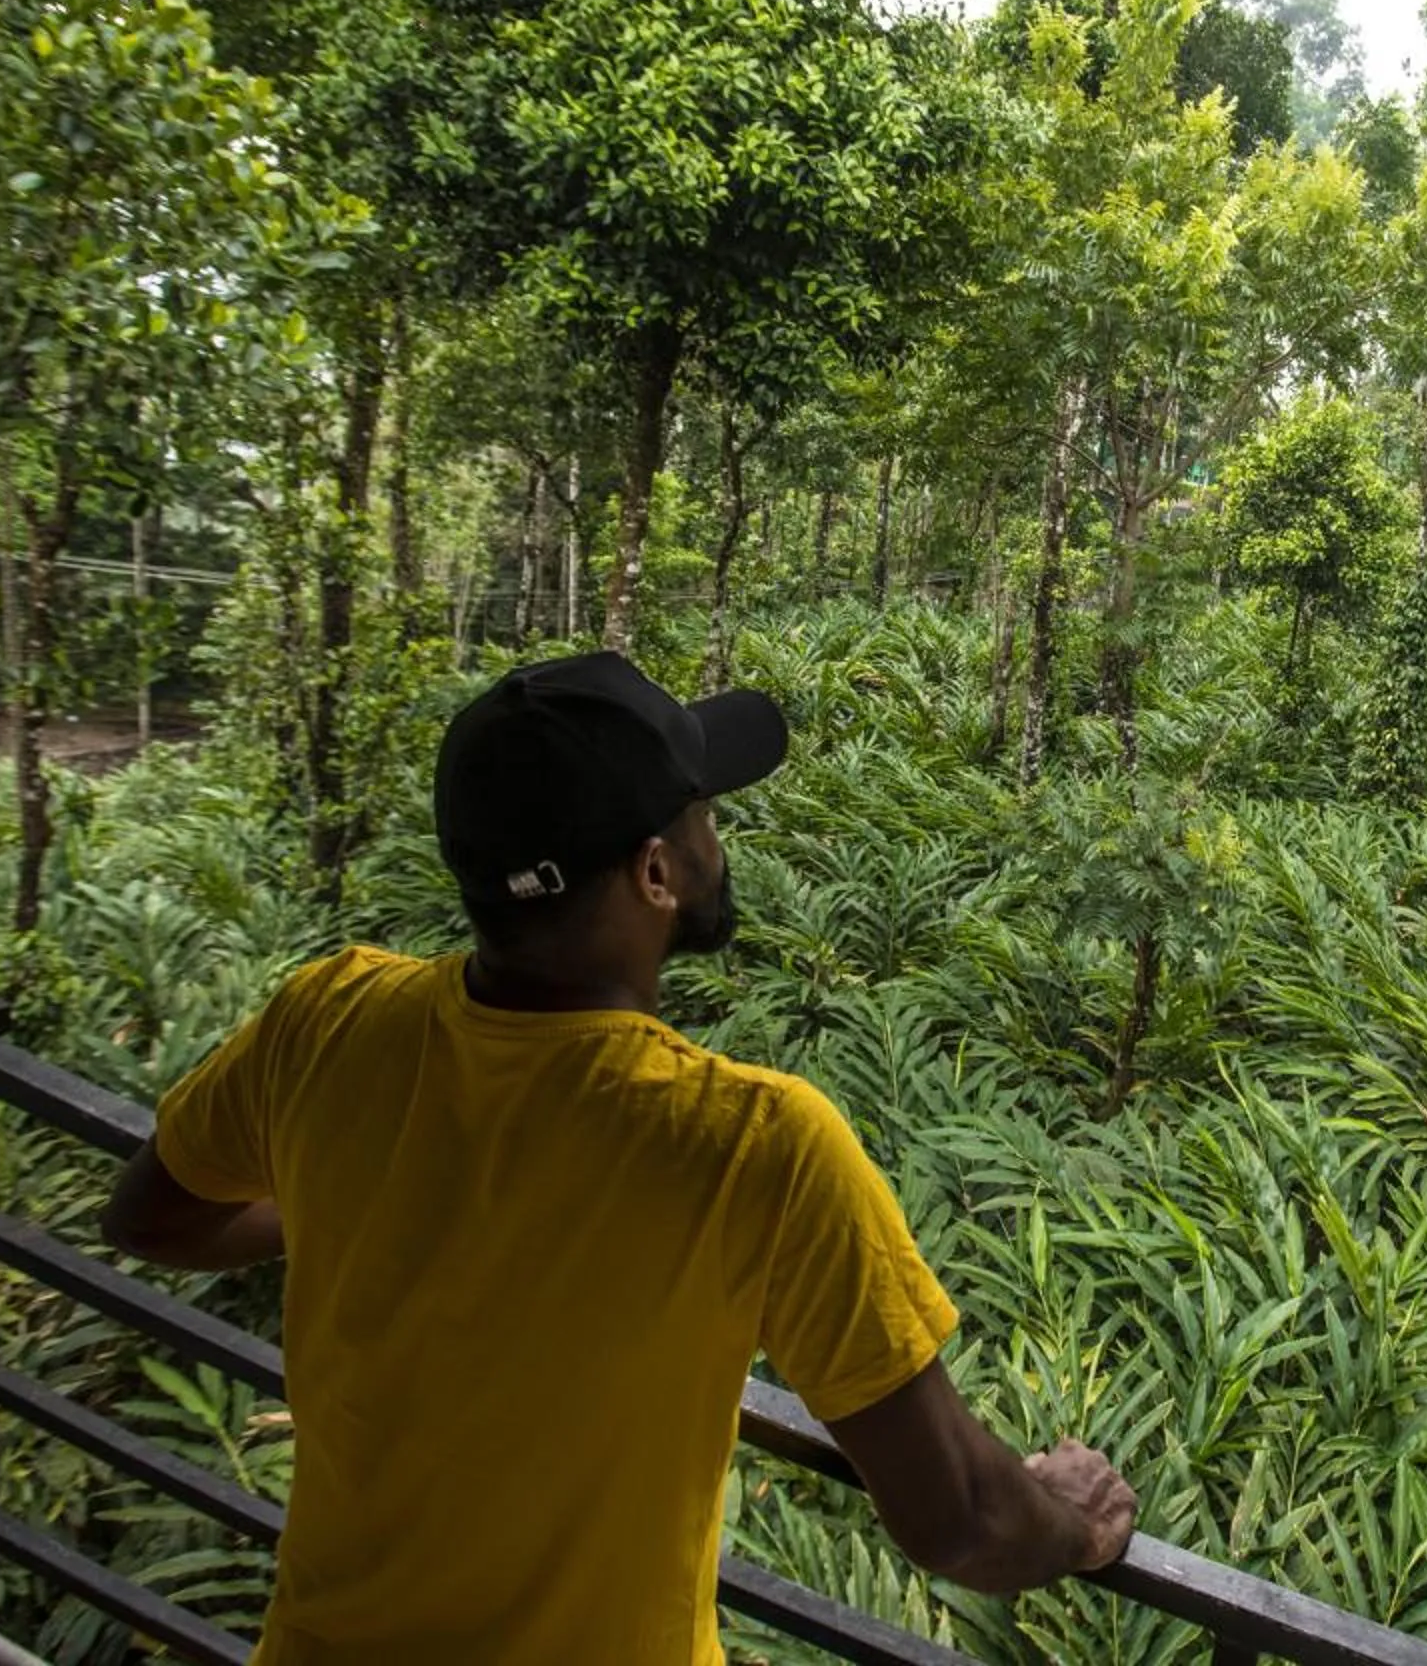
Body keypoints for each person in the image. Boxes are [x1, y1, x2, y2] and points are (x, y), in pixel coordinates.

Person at [103, 650, 1136, 1664]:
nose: (716, 836)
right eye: (703, 815)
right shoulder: (752, 1145)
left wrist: (363, 1199)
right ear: (654, 871)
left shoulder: (326, 1015)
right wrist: (1077, 1523)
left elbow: (152, 1214)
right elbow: (960, 1519)